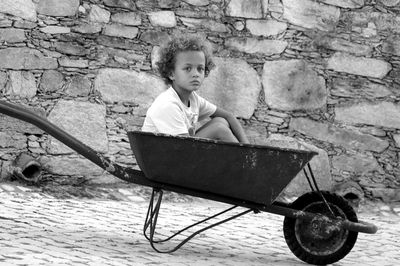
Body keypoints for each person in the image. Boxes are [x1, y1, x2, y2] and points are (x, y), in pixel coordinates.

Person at [142, 35, 249, 144]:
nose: (195, 74)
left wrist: (248, 147)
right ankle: (245, 160)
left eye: (200, 69)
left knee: (221, 121)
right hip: (161, 158)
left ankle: (246, 156)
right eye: (187, 68)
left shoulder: (193, 99)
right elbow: (185, 147)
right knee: (219, 129)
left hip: (182, 151)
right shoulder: (167, 104)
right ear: (171, 73)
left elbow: (228, 116)